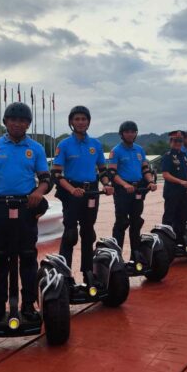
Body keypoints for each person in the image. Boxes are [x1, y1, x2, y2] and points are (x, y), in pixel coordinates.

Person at [0, 102, 51, 322]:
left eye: (22, 120)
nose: (17, 124)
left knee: (27, 256)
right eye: (13, 120)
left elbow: (45, 179)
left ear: (28, 124)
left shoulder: (35, 148)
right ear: (6, 122)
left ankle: (27, 306)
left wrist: (38, 192)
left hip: (26, 207)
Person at [51, 105, 113, 280]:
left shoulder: (96, 144)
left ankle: (87, 272)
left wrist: (107, 184)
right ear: (71, 122)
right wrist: (72, 190)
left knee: (88, 232)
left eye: (83, 119)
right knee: (70, 234)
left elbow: (103, 171)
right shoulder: (64, 145)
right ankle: (64, 274)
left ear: (88, 122)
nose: (80, 122)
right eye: (76, 119)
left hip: (91, 192)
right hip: (71, 193)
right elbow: (56, 174)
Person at [108, 121, 157, 259]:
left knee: (136, 223)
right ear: (122, 134)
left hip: (138, 190)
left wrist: (151, 181)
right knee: (121, 223)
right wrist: (124, 185)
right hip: (123, 191)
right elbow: (112, 172)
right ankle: (116, 257)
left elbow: (145, 169)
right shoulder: (116, 151)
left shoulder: (139, 150)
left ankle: (136, 256)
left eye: (133, 131)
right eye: (127, 131)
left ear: (136, 133)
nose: (130, 134)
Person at [161, 130, 187, 244]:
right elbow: (165, 174)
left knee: (182, 216)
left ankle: (179, 240)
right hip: (172, 191)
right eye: (176, 141)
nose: (178, 143)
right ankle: (166, 241)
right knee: (169, 217)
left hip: (183, 191)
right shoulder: (168, 156)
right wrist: (180, 181)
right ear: (170, 141)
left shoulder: (183, 155)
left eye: (180, 141)